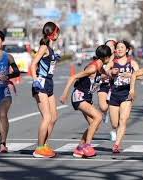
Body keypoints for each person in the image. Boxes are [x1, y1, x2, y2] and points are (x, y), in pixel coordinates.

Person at [60, 45, 112, 158]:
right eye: (110, 57)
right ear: (106, 57)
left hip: (87, 97)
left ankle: (79, 148)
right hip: (79, 96)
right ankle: (87, 145)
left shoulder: (100, 67)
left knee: (95, 125)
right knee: (98, 117)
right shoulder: (92, 68)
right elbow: (72, 77)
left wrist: (112, 73)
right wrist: (64, 94)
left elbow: (105, 75)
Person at [30, 22, 61, 158]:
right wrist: (36, 79)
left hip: (49, 83)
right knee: (47, 117)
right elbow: (33, 65)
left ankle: (45, 145)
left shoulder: (50, 48)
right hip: (41, 83)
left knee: (54, 117)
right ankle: (39, 148)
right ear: (53, 33)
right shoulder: (44, 47)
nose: (58, 34)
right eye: (57, 32)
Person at [105, 40, 140, 153]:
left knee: (123, 120)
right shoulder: (112, 62)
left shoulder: (132, 62)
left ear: (127, 49)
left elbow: (141, 76)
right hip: (114, 93)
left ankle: (116, 144)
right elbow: (104, 72)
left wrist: (131, 75)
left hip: (126, 93)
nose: (119, 49)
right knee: (115, 123)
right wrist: (111, 73)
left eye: (122, 47)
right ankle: (117, 134)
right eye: (117, 47)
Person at [97, 40, 116, 141]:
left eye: (112, 46)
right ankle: (105, 113)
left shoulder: (118, 59)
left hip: (114, 86)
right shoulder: (101, 58)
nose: (109, 48)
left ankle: (113, 131)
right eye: (107, 46)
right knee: (103, 107)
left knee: (116, 114)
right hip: (103, 84)